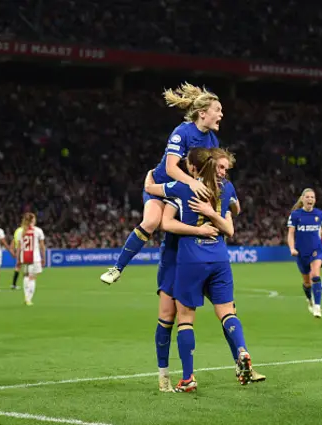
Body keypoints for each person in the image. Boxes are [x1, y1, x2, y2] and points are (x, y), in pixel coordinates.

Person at [150, 148, 264, 392]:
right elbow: (235, 214)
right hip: (220, 257)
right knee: (227, 312)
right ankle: (242, 351)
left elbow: (164, 220)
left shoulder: (182, 188)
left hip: (191, 258)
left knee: (185, 320)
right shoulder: (228, 189)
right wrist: (220, 212)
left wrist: (150, 177)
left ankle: (188, 377)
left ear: (193, 167)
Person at [100, 83, 222, 284]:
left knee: (180, 234)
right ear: (202, 113)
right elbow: (170, 169)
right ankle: (117, 268)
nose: (221, 115)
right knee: (151, 222)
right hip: (159, 187)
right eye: (217, 110)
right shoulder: (182, 132)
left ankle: (189, 280)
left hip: (181, 193)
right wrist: (193, 183)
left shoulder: (213, 142)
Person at [287, 189, 322, 319]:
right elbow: (290, 234)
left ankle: (317, 306)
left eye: (312, 197)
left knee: (316, 274)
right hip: (301, 253)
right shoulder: (295, 215)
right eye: (307, 197)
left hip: (316, 250)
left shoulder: (319, 215)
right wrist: (292, 248)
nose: (310, 199)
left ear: (314, 200)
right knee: (307, 283)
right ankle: (310, 300)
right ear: (303, 199)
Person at [15, 213, 46, 306]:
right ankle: (29, 299)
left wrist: (18, 259)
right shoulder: (38, 231)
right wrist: (43, 257)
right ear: (33, 220)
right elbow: (42, 246)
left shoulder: (21, 231)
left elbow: (19, 247)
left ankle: (26, 296)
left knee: (25, 276)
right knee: (32, 277)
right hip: (35, 257)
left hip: (24, 257)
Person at [11, 222, 24, 290]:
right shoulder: (24, 230)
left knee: (18, 267)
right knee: (27, 267)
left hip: (18, 249)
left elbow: (14, 241)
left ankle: (14, 284)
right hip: (24, 249)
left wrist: (13, 251)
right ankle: (27, 284)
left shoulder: (17, 231)